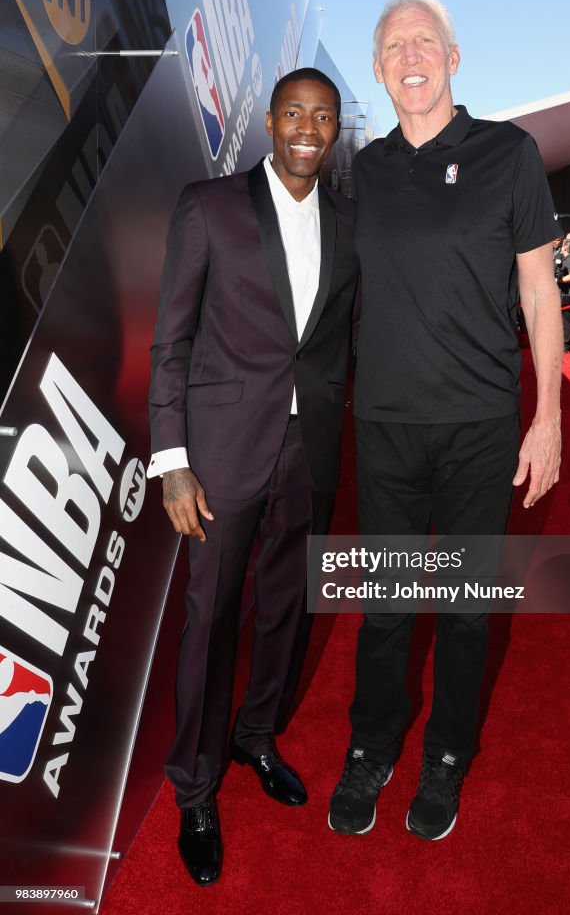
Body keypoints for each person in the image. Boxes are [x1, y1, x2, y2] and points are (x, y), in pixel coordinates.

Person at [328, 0, 562, 842]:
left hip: (480, 429)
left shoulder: (510, 152)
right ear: (380, 68)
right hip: (385, 426)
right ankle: (371, 744)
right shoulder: (363, 170)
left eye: (424, 40)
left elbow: (539, 294)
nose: (410, 54)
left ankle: (448, 755)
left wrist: (549, 420)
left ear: (454, 59)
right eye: (393, 45)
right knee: (385, 604)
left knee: (465, 608)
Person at [148, 68, 358, 885]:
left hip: (313, 451)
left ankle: (256, 735)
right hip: (223, 452)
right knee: (210, 619)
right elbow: (171, 342)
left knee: (287, 607)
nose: (308, 127)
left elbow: (341, 340)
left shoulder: (350, 220)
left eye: (324, 116)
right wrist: (172, 462)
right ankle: (195, 788)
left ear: (336, 129)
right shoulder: (209, 206)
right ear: (270, 122)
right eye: (295, 113)